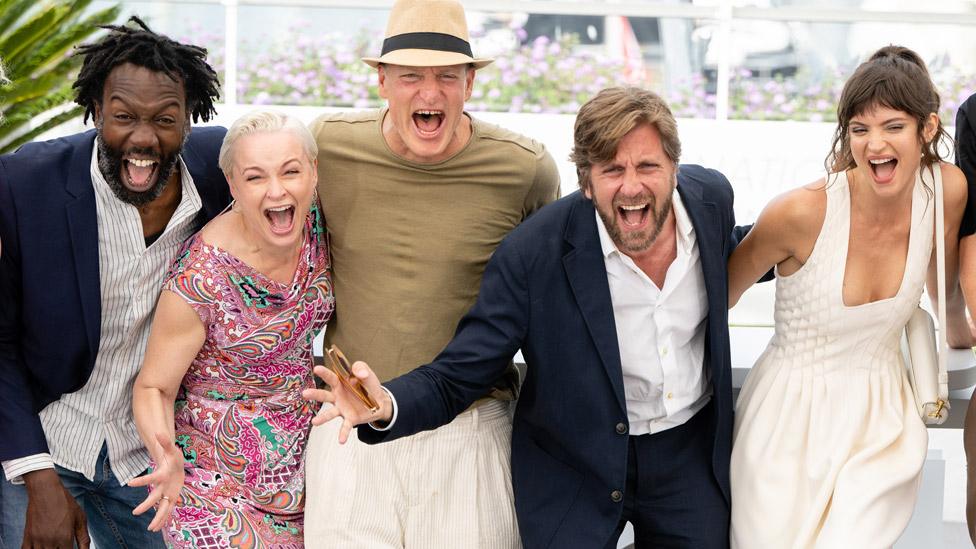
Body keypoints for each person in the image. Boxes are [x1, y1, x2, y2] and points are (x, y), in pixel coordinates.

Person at [306, 86, 741, 548]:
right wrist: (386, 405)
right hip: (575, 464)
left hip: (687, 455)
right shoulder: (533, 253)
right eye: (612, 169)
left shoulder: (710, 202)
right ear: (587, 183)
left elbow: (747, 251)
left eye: (648, 166)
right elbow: (462, 372)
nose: (632, 185)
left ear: (674, 169)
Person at [302, 0, 560, 546]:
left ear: (470, 83)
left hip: (471, 431)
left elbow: (554, 305)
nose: (429, 92)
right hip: (348, 425)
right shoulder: (326, 145)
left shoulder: (524, 168)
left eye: (447, 76)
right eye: (411, 76)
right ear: (381, 81)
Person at [726, 45, 966, 547]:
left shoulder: (947, 189)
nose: (874, 143)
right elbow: (718, 295)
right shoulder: (799, 212)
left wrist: (961, 332)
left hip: (883, 424)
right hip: (784, 421)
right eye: (860, 129)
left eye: (893, 126)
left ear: (927, 129)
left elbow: (940, 286)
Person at [0, 17, 227, 548]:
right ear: (97, 110)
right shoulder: (23, 183)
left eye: (165, 119)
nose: (143, 139)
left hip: (146, 452)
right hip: (45, 442)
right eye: (123, 116)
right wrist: (37, 477)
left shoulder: (224, 170)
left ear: (191, 118)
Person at [130, 110, 333, 547]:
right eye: (256, 177)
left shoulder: (318, 221)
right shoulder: (202, 277)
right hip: (212, 482)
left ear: (313, 173)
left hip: (306, 467)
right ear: (233, 184)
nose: (277, 190)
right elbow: (153, 388)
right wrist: (166, 457)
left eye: (291, 171)